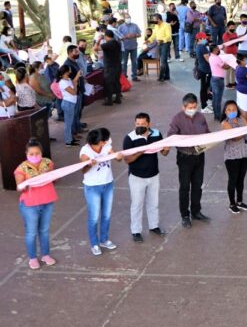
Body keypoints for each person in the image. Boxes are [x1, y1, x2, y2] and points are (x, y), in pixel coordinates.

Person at [122, 113, 169, 243]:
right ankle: (136, 231)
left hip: (154, 175)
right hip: (137, 177)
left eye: (143, 124)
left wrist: (166, 148)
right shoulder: (129, 138)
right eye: (137, 124)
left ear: (149, 124)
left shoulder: (157, 134)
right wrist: (141, 150)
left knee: (154, 203)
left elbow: (164, 153)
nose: (140, 126)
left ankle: (154, 226)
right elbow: (127, 159)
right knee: (137, 205)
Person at [14, 138, 57, 269]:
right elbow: (19, 187)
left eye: (37, 153)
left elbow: (54, 178)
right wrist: (25, 185)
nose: (35, 156)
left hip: (47, 201)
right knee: (31, 232)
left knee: (44, 230)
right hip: (30, 205)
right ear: (26, 154)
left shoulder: (48, 163)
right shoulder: (21, 168)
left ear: (41, 152)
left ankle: (45, 255)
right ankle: (32, 257)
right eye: (31, 154)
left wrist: (53, 177)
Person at [168, 94, 210, 228]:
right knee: (185, 187)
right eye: (190, 107)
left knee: (198, 185)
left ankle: (196, 211)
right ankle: (185, 215)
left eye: (194, 107)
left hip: (199, 155)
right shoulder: (177, 119)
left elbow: (207, 133)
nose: (192, 109)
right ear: (184, 107)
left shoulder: (201, 117)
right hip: (185, 157)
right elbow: (171, 137)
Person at [80, 128, 123, 256]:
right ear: (101, 142)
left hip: (108, 184)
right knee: (94, 217)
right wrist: (88, 164)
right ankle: (94, 244)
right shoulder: (85, 151)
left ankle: (104, 240)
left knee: (106, 215)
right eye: (106, 140)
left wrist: (118, 156)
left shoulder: (106, 147)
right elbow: (83, 170)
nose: (108, 141)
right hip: (93, 187)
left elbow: (117, 157)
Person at [221, 101, 247, 213]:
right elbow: (234, 137)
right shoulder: (225, 123)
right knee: (233, 179)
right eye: (229, 110)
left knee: (241, 179)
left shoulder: (241, 119)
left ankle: (240, 202)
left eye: (234, 109)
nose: (232, 112)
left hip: (244, 153)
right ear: (225, 112)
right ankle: (232, 203)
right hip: (232, 156)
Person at [56, 65, 80, 147]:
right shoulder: (62, 82)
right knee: (68, 123)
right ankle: (68, 141)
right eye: (69, 69)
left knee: (70, 122)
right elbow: (73, 92)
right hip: (68, 103)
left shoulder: (68, 79)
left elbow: (74, 87)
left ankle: (70, 138)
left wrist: (75, 81)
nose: (71, 71)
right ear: (66, 71)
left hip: (71, 103)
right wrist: (75, 84)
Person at [98, 30, 122, 106]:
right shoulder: (117, 43)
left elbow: (95, 48)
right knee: (117, 81)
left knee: (109, 83)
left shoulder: (108, 44)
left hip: (110, 66)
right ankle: (118, 98)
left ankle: (109, 100)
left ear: (106, 36)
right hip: (117, 65)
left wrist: (98, 40)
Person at [117, 13, 142, 81]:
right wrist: (126, 37)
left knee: (134, 62)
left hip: (134, 46)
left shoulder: (135, 25)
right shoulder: (121, 27)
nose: (128, 19)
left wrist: (134, 35)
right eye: (127, 18)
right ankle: (124, 76)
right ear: (124, 19)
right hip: (125, 47)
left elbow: (140, 34)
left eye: (129, 17)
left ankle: (134, 76)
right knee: (124, 62)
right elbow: (118, 38)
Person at [208, 45, 229, 121]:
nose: (218, 50)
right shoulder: (217, 58)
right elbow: (225, 67)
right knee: (218, 99)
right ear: (214, 50)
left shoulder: (211, 57)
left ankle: (216, 114)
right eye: (217, 48)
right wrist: (230, 63)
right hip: (219, 80)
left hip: (214, 78)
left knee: (214, 99)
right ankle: (218, 116)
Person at [150, 13, 173, 82]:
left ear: (159, 19)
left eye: (154, 19)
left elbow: (168, 36)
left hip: (165, 43)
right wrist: (149, 40)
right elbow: (154, 35)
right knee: (164, 60)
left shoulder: (166, 25)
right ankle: (167, 76)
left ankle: (161, 76)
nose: (153, 21)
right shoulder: (156, 26)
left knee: (162, 61)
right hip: (159, 43)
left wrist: (161, 40)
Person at [195, 33, 213, 114]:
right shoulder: (202, 47)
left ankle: (206, 102)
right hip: (205, 70)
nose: (205, 39)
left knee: (205, 87)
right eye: (204, 38)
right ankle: (203, 106)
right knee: (204, 88)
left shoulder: (198, 46)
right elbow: (207, 59)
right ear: (199, 39)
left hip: (202, 69)